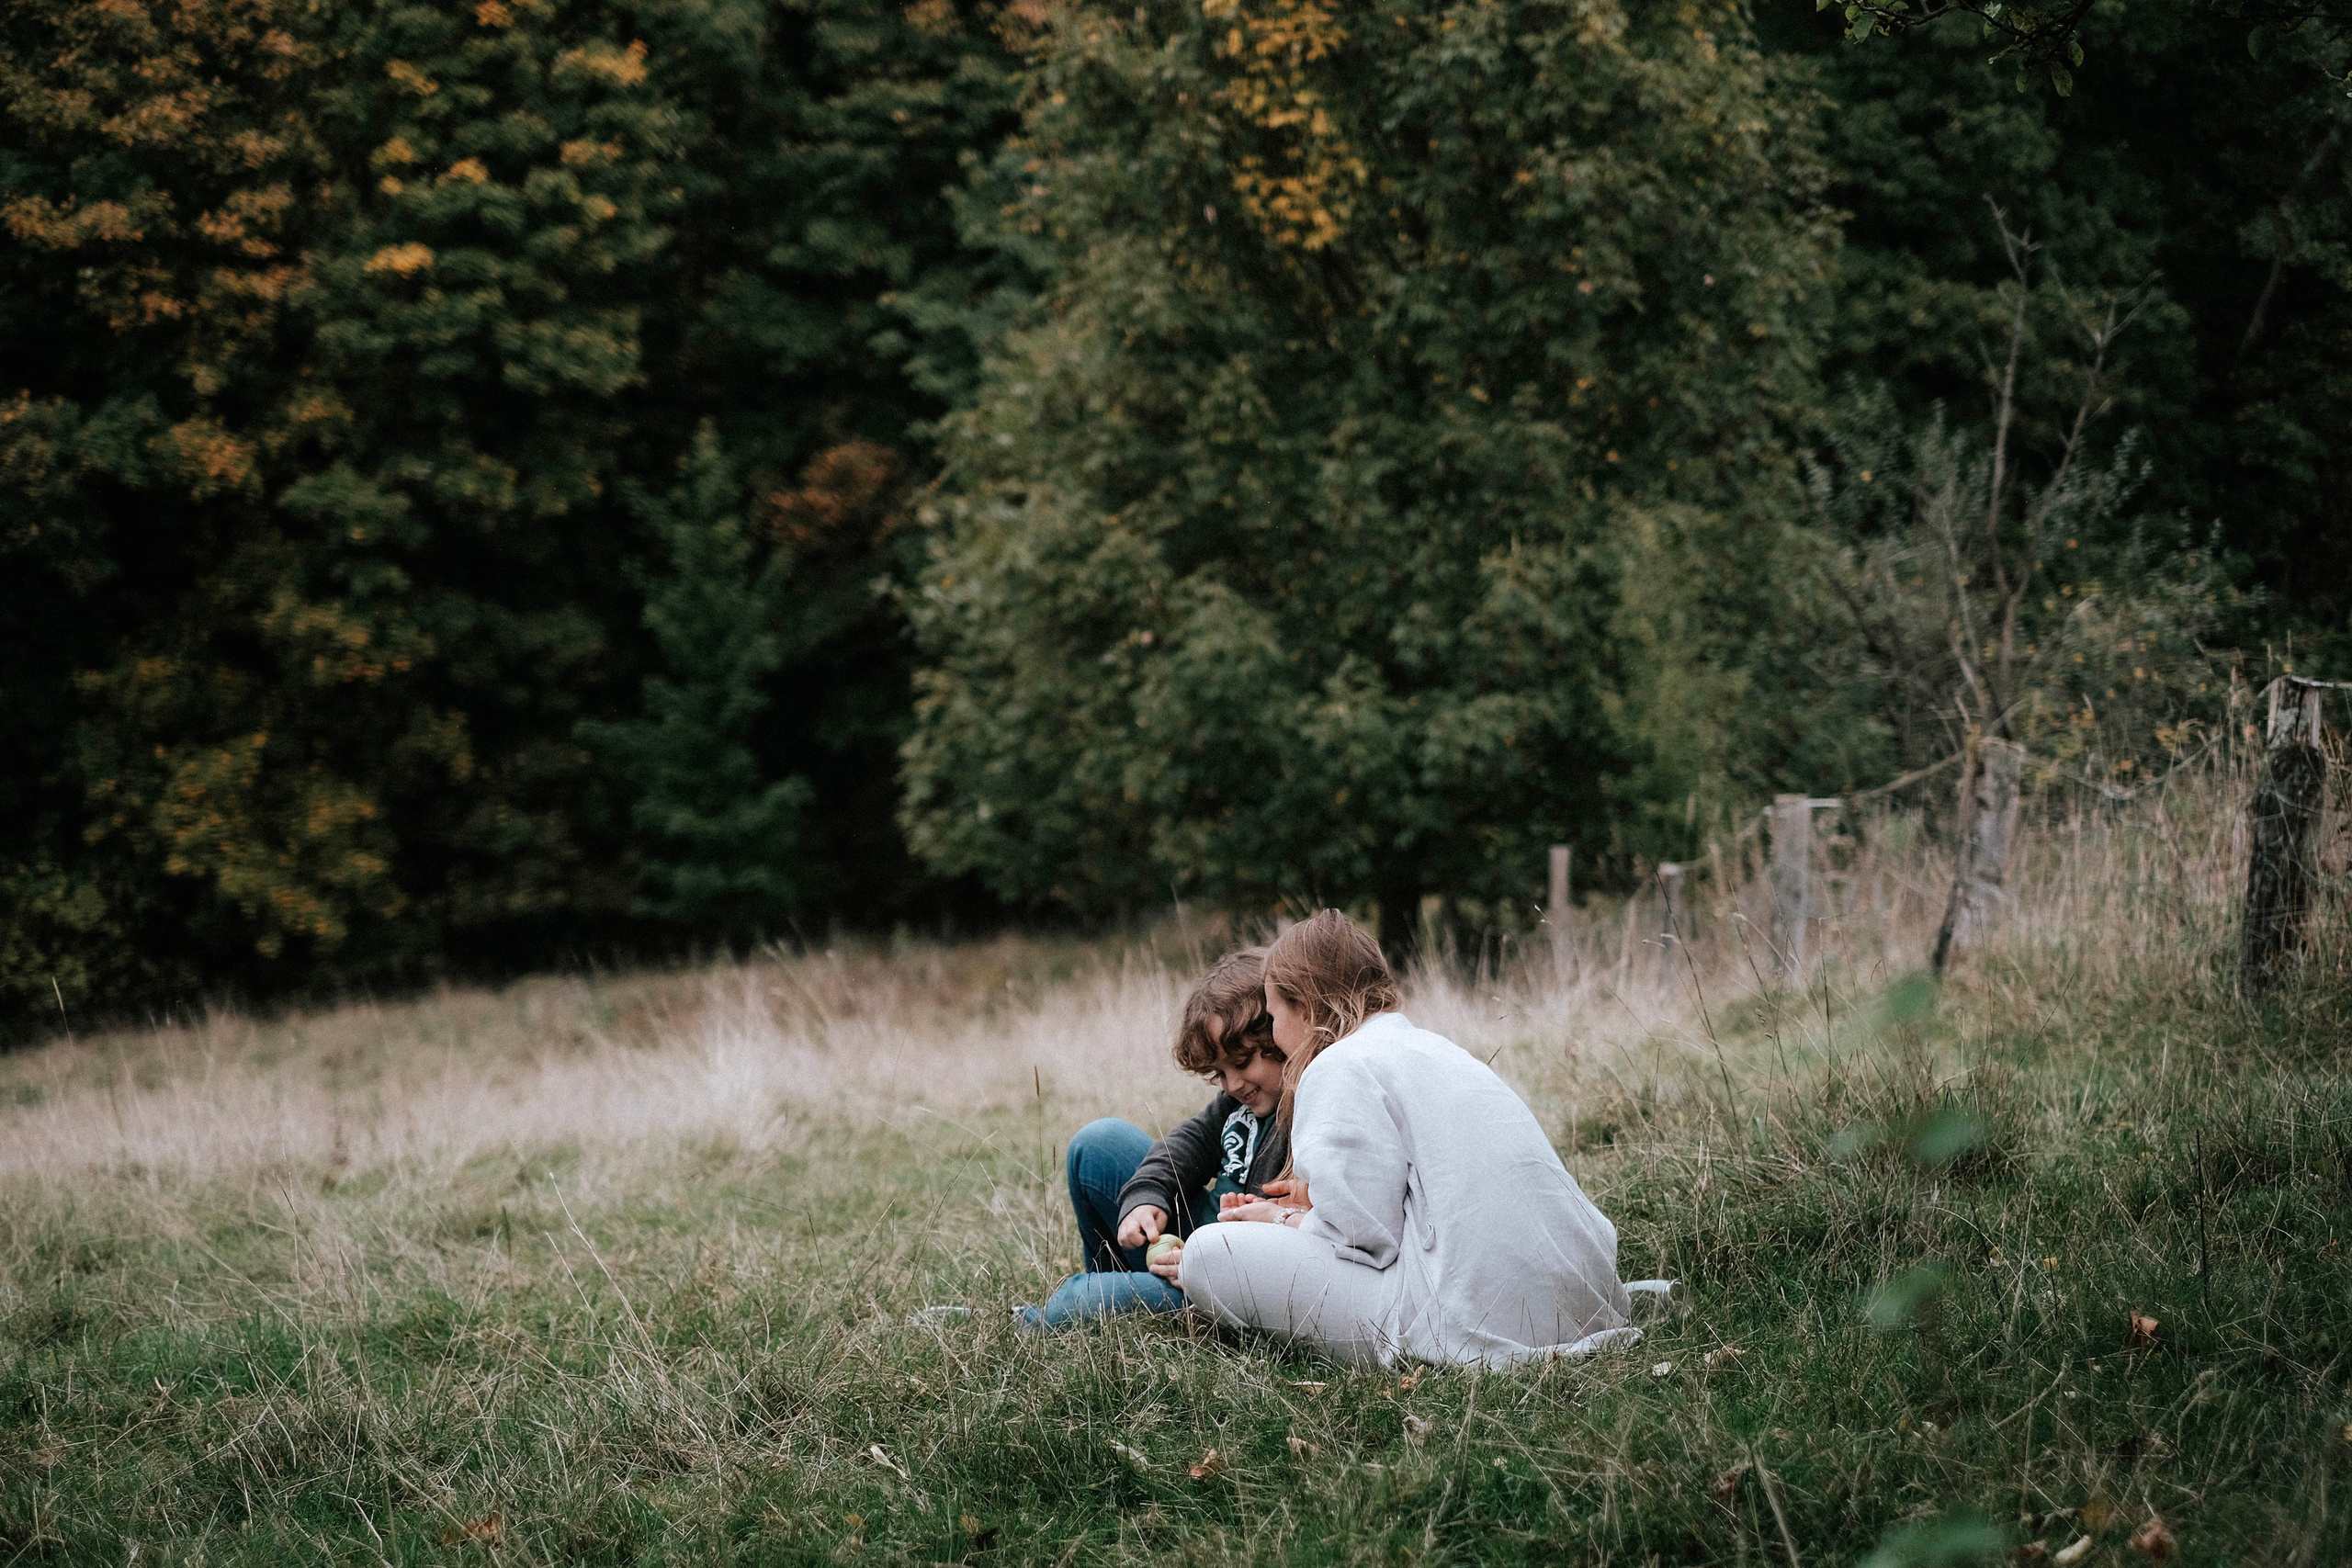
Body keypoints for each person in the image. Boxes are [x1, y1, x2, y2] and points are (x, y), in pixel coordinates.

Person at [1174, 909, 1638, 1367]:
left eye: (1274, 1016)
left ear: (1306, 1007)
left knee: (1207, 1254)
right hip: (1580, 1301)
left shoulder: (1336, 1066)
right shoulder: (1431, 1048)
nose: (1276, 1033)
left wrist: (1273, 1220)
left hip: (1479, 1317)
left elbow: (1365, 1238)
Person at [1016, 946, 1302, 1329]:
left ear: (1281, 1033)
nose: (1232, 1085)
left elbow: (1290, 1244)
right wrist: (1146, 1197)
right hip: (1186, 1244)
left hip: (1223, 1283)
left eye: (1242, 1063)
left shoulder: (1310, 1110)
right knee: (1097, 1143)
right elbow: (1190, 1141)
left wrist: (1204, 1265)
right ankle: (1112, 1293)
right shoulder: (1241, 1102)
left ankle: (1045, 1318)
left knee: (1075, 1301)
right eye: (1219, 1074)